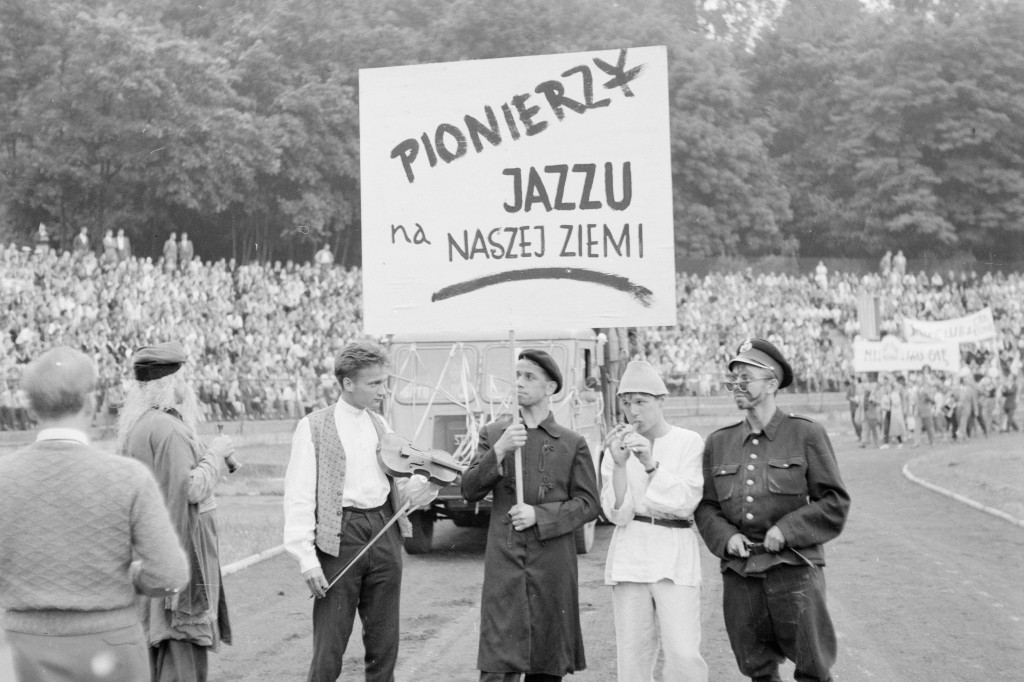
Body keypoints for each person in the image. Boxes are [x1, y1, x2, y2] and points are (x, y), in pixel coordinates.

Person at [1, 347, 188, 682]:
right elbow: (170, 574)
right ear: (90, 405)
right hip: (110, 647)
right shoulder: (129, 477)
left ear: (32, 411)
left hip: (22, 650)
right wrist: (127, 576)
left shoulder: (4, 477)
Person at [695, 338, 850, 682]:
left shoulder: (805, 434)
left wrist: (787, 530)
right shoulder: (718, 442)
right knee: (757, 669)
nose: (736, 385)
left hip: (794, 569)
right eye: (732, 378)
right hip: (741, 574)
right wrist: (727, 536)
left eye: (745, 377)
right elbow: (706, 507)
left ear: (771, 383)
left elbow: (835, 503)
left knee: (813, 667)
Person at [283, 341, 438, 682]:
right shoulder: (313, 426)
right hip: (340, 536)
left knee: (384, 646)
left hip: (385, 529)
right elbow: (298, 497)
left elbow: (392, 481)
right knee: (329, 649)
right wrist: (306, 558)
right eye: (374, 384)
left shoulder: (381, 423)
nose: (383, 390)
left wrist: (416, 489)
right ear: (348, 383)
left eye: (384, 382)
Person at [462, 349, 600, 682]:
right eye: (517, 375)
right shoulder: (496, 433)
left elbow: (588, 503)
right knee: (498, 664)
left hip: (552, 564)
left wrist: (540, 515)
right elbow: (469, 489)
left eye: (529, 377)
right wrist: (500, 450)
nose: (519, 383)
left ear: (551, 387)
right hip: (505, 561)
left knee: (546, 661)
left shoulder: (572, 443)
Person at [118, 342, 235, 682]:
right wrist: (215, 453)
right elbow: (189, 490)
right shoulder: (167, 429)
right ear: (170, 382)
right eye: (184, 377)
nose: (189, 385)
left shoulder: (143, 424)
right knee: (183, 658)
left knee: (162, 657)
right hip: (183, 559)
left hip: (156, 553)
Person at [600, 360, 708, 681]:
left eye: (642, 402)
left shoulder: (689, 441)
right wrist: (620, 465)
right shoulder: (618, 446)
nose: (633, 411)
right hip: (631, 552)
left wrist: (649, 463)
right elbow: (616, 512)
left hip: (674, 553)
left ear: (662, 401)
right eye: (626, 402)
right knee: (632, 658)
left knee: (684, 655)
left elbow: (686, 503)